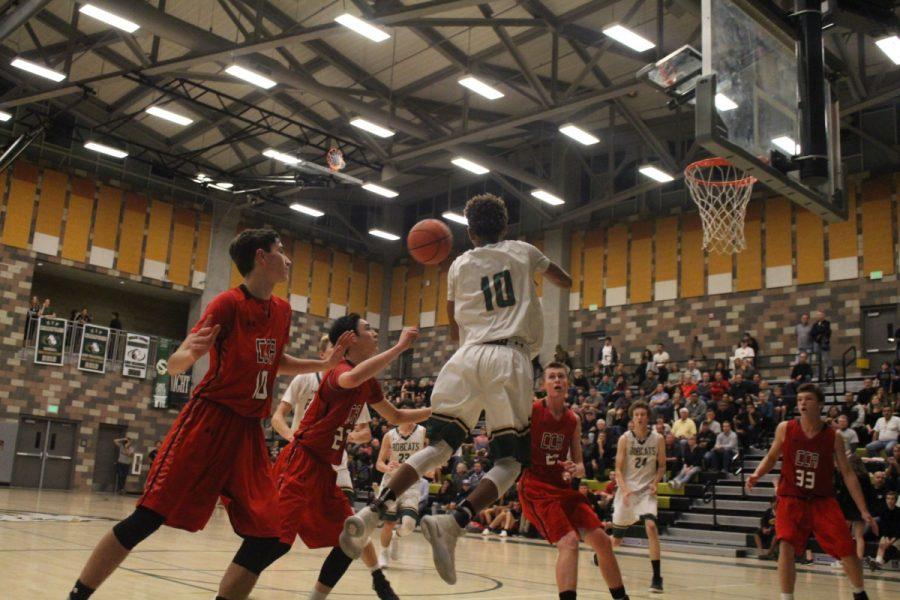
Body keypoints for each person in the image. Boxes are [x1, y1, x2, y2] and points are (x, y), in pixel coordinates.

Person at [66, 229, 353, 600]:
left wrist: (322, 362)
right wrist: (187, 355)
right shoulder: (227, 304)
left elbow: (276, 361)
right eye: (282, 251)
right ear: (262, 257)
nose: (288, 259)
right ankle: (78, 594)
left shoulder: (282, 311)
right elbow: (176, 362)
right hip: (209, 421)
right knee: (147, 518)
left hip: (248, 432)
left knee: (268, 533)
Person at [340, 193, 572, 585]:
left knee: (439, 447)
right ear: (505, 226)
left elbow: (452, 327)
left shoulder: (458, 265)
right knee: (511, 461)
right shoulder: (523, 250)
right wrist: (534, 272)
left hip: (465, 357)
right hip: (509, 356)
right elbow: (564, 281)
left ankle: (371, 512)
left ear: (469, 232)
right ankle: (454, 522)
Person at [270, 316, 431, 600]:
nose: (325, 356)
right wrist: (400, 347)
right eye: (367, 328)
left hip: (331, 463)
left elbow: (394, 416)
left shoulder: (364, 379)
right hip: (303, 458)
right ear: (344, 343)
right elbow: (278, 416)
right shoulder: (331, 374)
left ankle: (373, 579)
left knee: (352, 533)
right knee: (272, 541)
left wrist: (439, 409)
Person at [746, 383, 876, 600]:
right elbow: (771, 457)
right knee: (785, 543)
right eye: (799, 399)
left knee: (846, 547)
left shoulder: (833, 437)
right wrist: (757, 474)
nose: (802, 403)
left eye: (808, 399)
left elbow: (847, 473)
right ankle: (786, 597)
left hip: (822, 500)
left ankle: (859, 593)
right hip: (791, 498)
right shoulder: (786, 428)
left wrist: (863, 510)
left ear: (820, 404)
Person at [517, 363, 631, 600]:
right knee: (569, 543)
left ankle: (621, 597)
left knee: (602, 540)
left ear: (567, 383)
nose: (557, 380)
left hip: (561, 487)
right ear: (544, 385)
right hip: (535, 486)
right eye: (552, 377)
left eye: (561, 376)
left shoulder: (573, 419)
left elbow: (579, 465)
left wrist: (573, 469)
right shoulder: (532, 411)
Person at [611, 400, 666, 593]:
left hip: (646, 492)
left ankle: (657, 577)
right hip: (627, 490)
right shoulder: (625, 439)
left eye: (643, 414)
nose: (640, 418)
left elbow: (661, 467)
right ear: (632, 418)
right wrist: (624, 490)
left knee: (651, 527)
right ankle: (602, 554)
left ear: (648, 417)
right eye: (637, 415)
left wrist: (655, 482)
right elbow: (617, 469)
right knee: (617, 539)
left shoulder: (658, 439)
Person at [376, 419, 427, 568]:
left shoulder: (422, 432)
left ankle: (396, 536)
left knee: (409, 525)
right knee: (389, 523)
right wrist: (387, 467)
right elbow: (379, 463)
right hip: (391, 482)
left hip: (412, 482)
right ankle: (383, 552)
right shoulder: (389, 435)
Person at [873, 491, 899, 569]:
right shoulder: (883, 510)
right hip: (888, 534)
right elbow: (884, 526)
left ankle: (879, 562)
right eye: (888, 498)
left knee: (892, 547)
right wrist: (885, 536)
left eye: (892, 499)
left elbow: (899, 529)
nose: (889, 501)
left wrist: (892, 540)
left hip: (897, 536)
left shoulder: (899, 512)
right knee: (882, 543)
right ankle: (878, 563)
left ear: (895, 500)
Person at [811, 311, 833, 382]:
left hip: (824, 344)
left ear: (823, 316)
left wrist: (819, 331)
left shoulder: (827, 323)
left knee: (826, 359)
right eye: (818, 316)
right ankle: (818, 374)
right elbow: (812, 333)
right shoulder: (815, 324)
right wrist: (819, 333)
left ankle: (829, 374)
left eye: (820, 315)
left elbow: (826, 331)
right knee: (818, 360)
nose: (819, 317)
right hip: (817, 344)